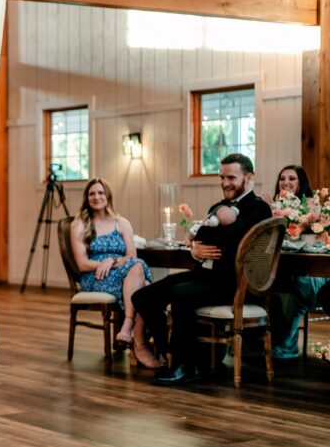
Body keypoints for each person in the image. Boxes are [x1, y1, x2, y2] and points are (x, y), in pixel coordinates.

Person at [132, 154, 272, 386]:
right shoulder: (218, 206)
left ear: (249, 178)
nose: (225, 182)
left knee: (181, 295)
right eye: (222, 177)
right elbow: (199, 235)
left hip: (235, 283)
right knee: (143, 296)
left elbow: (227, 237)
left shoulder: (258, 209)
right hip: (207, 275)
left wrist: (198, 238)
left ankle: (185, 367)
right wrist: (195, 250)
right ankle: (165, 350)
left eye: (231, 177)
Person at [70, 178, 158, 368]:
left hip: (122, 272)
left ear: (108, 196)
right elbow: (82, 264)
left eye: (100, 193)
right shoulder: (80, 224)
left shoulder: (121, 222)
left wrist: (112, 261)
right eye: (92, 193)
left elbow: (131, 256)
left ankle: (132, 335)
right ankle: (138, 342)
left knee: (142, 279)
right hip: (96, 277)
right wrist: (103, 264)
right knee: (145, 286)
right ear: (86, 198)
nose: (96, 197)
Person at [264, 165, 326, 358]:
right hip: (283, 266)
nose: (286, 182)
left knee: (296, 285)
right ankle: (266, 342)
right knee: (273, 285)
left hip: (312, 270)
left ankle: (285, 345)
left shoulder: (312, 207)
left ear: (301, 183)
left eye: (292, 178)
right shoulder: (274, 207)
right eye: (282, 178)